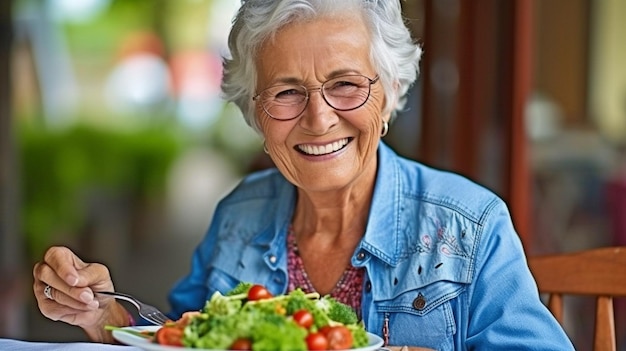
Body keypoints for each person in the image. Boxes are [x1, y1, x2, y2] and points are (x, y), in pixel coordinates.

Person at [33, 0, 575, 349]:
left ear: (387, 94)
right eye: (288, 91)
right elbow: (185, 335)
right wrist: (103, 312)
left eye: (345, 85)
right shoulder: (241, 213)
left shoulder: (469, 226)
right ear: (255, 112)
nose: (318, 120)